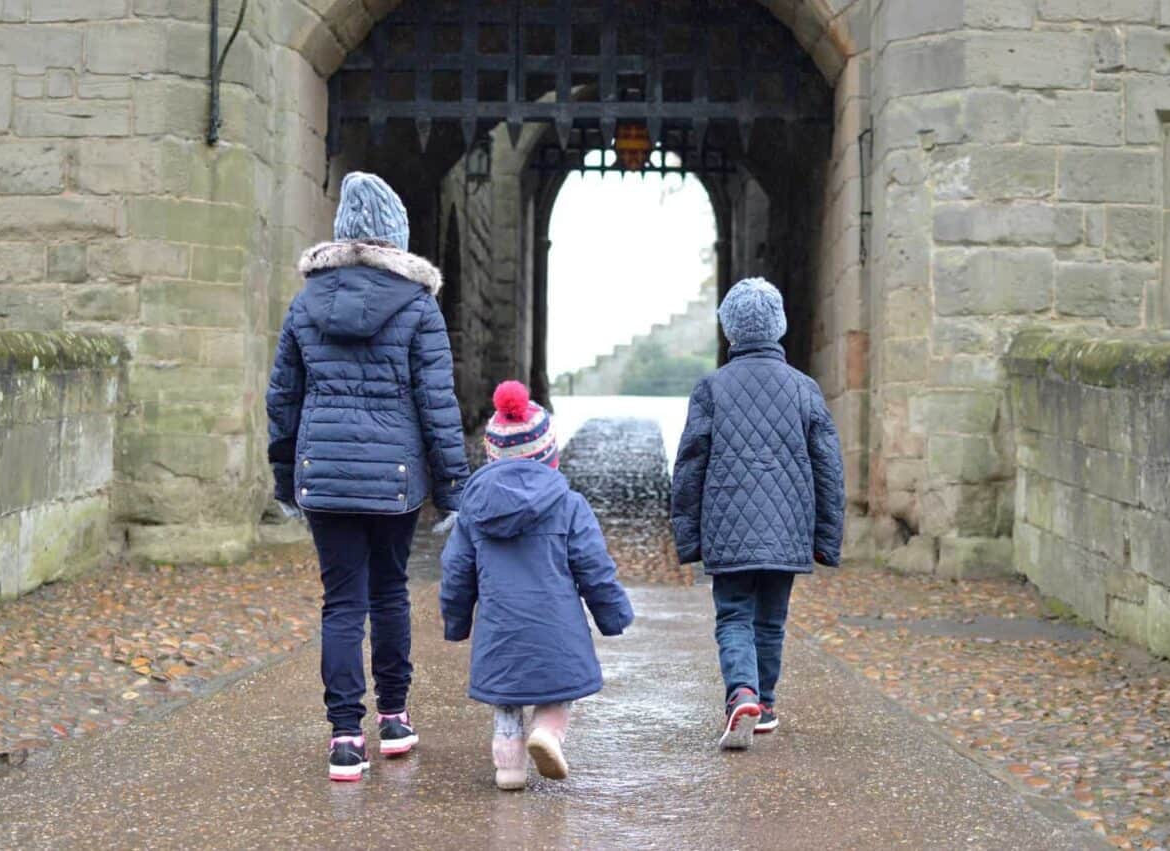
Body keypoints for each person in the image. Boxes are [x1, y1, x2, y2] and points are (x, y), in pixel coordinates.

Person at [266, 172, 470, 782]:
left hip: (323, 475)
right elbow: (438, 402)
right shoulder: (417, 305)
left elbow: (283, 400)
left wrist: (285, 476)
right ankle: (396, 718)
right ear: (395, 234)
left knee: (342, 603)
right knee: (388, 592)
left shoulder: (306, 304)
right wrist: (453, 484)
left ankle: (344, 736)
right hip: (394, 478)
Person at [671, 277, 845, 750]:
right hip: (788, 528)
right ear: (780, 327)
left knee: (733, 616)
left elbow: (690, 466)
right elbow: (828, 466)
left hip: (727, 528)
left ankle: (741, 692)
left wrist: (688, 537)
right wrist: (826, 537)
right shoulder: (804, 388)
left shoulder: (710, 388)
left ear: (729, 330)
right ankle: (764, 704)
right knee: (771, 620)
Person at [440, 381, 634, 790]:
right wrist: (612, 615)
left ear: (491, 455)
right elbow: (593, 567)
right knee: (557, 688)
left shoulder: (474, 511)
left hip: (500, 628)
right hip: (556, 627)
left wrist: (457, 622)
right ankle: (547, 731)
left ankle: (508, 770)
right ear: (549, 455)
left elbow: (456, 571)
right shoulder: (569, 505)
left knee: (506, 702)